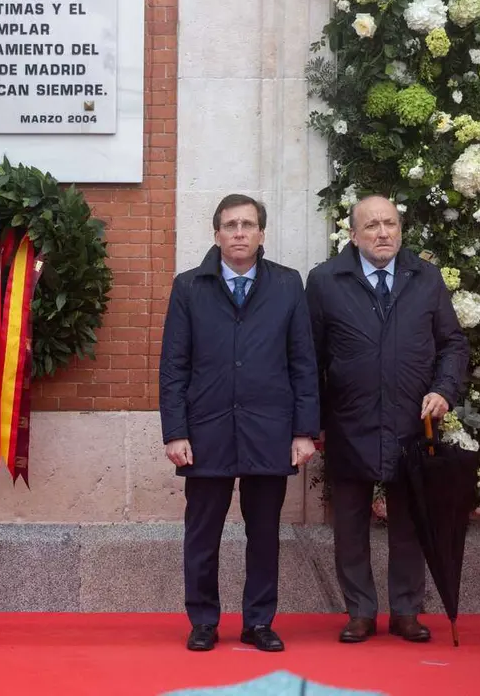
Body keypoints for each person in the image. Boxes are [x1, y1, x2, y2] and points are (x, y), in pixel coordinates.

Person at [159, 194, 320, 653]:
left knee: (264, 533)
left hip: (269, 429)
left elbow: (303, 362)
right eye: (230, 225)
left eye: (248, 225)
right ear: (216, 235)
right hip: (206, 429)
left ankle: (258, 622)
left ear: (262, 234)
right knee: (202, 533)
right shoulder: (189, 287)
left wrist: (304, 430)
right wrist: (176, 431)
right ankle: (204, 621)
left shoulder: (287, 285)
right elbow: (174, 365)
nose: (239, 233)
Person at [305, 195, 469, 644]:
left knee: (410, 521)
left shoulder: (425, 277)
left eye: (390, 224)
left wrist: (443, 390)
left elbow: (452, 344)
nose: (383, 233)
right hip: (349, 420)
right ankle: (359, 612)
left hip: (411, 422)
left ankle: (406, 611)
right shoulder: (324, 281)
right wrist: (311, 421)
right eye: (373, 225)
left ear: (400, 229)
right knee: (350, 524)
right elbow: (308, 357)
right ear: (353, 234)